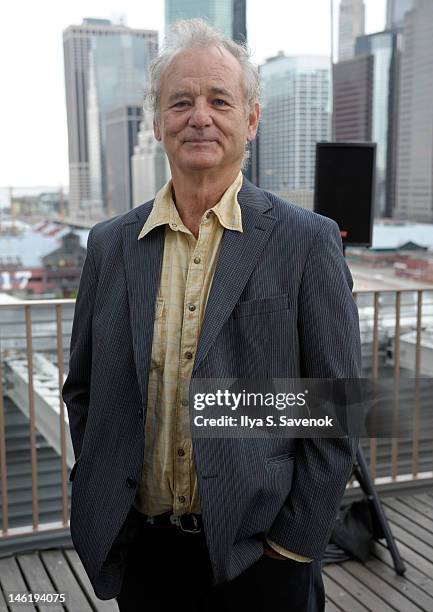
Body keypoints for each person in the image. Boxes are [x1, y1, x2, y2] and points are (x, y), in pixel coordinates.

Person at [62, 18, 361, 612]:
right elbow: (85, 392)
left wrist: (291, 545)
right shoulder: (110, 245)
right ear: (157, 123)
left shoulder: (306, 241)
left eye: (219, 100)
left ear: (249, 120)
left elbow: (335, 411)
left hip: (261, 560)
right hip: (143, 552)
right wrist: (101, 499)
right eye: (180, 102)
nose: (199, 116)